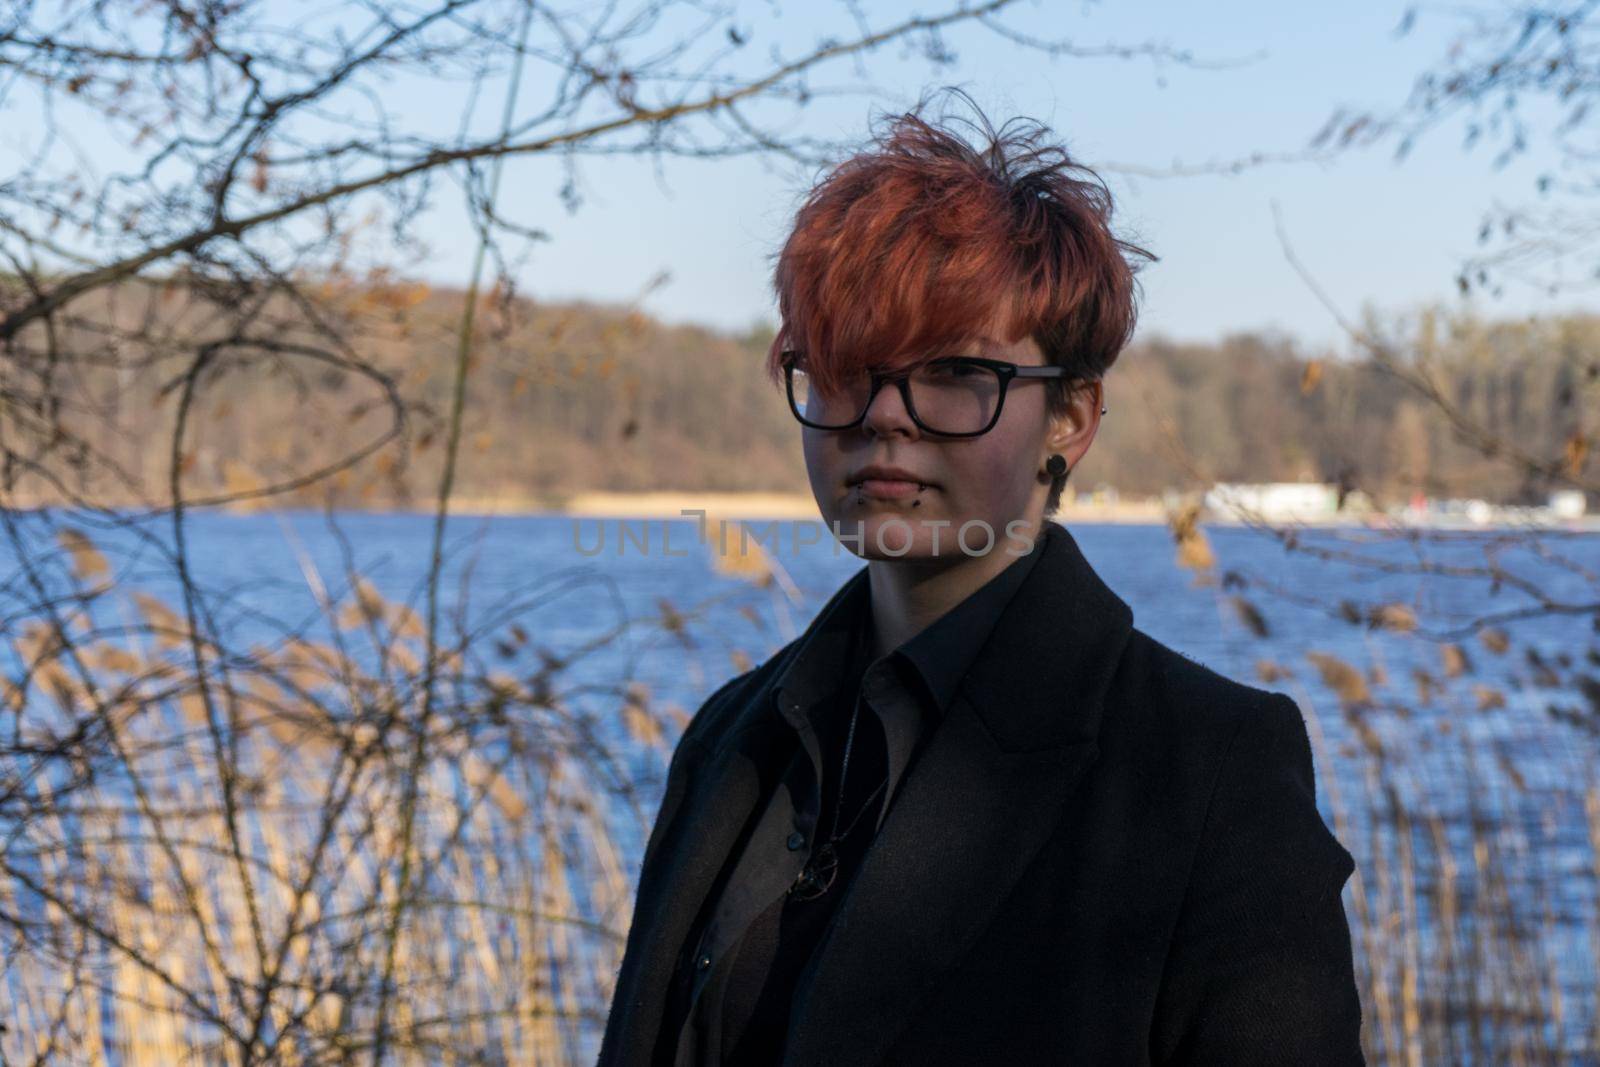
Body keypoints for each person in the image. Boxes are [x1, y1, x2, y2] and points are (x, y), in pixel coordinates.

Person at [598, 89, 1365, 1067]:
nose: (883, 413)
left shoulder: (1203, 772)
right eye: (842, 364)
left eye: (956, 372)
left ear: (1071, 419)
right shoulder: (733, 738)